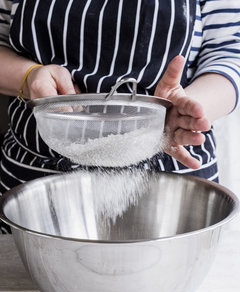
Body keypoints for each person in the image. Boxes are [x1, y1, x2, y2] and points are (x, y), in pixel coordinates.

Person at [0, 0, 239, 196]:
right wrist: (28, 76)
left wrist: (188, 106)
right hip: (34, 177)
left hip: (170, 183)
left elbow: (229, 55)